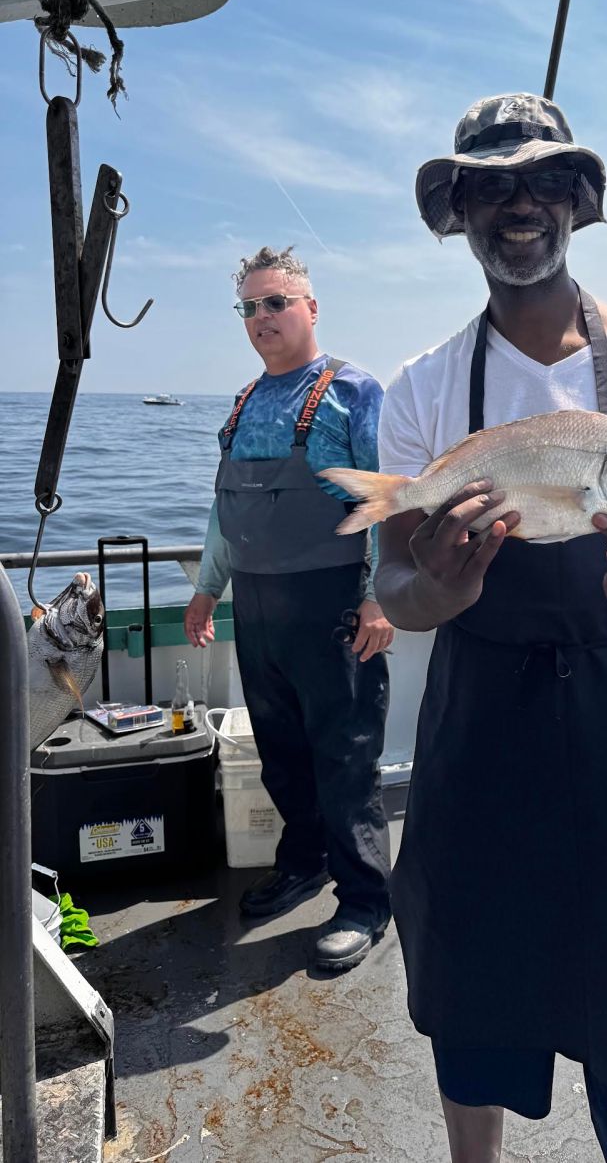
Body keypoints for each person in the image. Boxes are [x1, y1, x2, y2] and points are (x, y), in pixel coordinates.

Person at [374, 95, 607, 1162]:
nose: (520, 205)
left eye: (545, 180)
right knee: (473, 1000)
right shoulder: (421, 387)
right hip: (481, 737)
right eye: (491, 185)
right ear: (459, 211)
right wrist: (438, 592)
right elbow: (396, 586)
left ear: (579, 202)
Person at [184, 246, 393, 972]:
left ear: (310, 307)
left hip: (334, 606)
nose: (261, 317)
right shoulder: (244, 402)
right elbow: (225, 507)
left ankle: (366, 899)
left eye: (276, 302)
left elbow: (390, 502)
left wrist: (378, 596)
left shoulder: (353, 391)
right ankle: (304, 862)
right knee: (281, 749)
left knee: (346, 755)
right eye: (249, 306)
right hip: (257, 607)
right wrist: (208, 588)